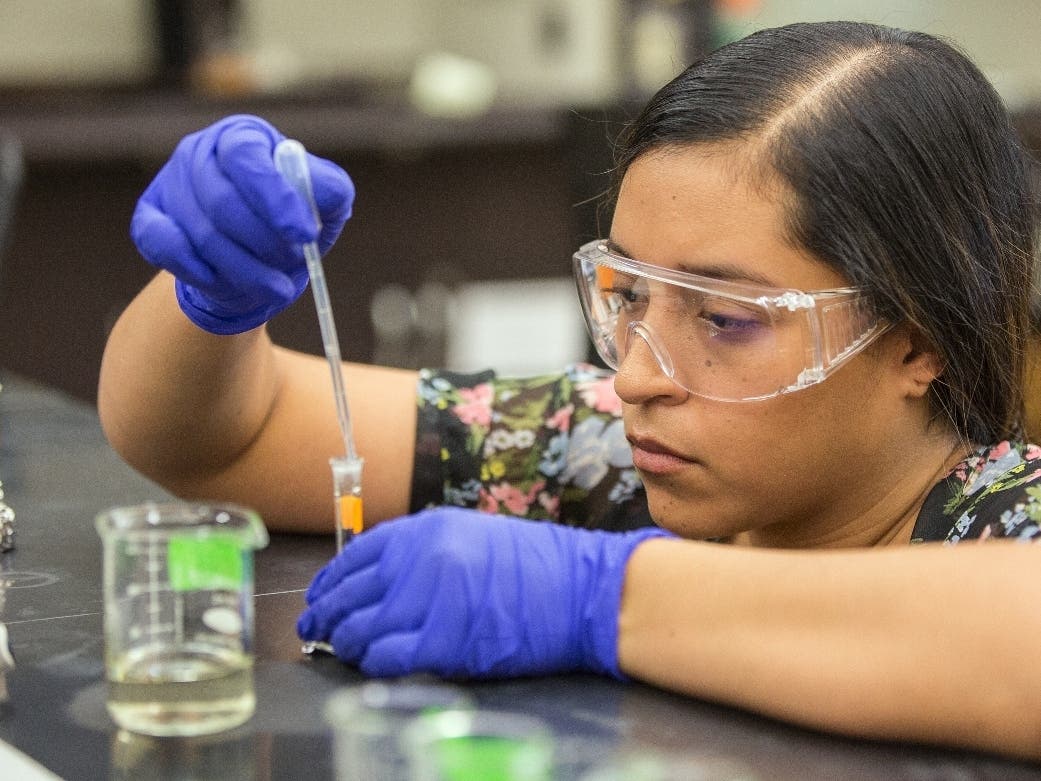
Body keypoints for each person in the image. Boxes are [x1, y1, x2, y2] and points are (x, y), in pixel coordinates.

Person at [99, 21, 1041, 762]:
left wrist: (597, 596)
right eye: (628, 296)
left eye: (723, 319)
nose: (634, 377)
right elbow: (227, 437)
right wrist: (212, 300)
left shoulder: (1001, 511)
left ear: (915, 342)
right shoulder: (598, 447)